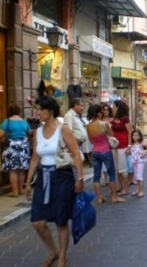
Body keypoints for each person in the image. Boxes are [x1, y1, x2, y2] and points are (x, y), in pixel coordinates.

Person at [25, 95, 84, 267]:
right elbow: (35, 158)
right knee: (37, 221)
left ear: (50, 111)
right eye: (37, 109)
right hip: (44, 177)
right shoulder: (38, 132)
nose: (38, 113)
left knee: (60, 220)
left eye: (41, 109)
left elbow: (75, 154)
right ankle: (53, 250)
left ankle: (62, 257)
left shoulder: (63, 129)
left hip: (62, 177)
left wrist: (79, 178)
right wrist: (28, 182)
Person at [86, 104, 125, 204]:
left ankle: (99, 197)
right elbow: (111, 137)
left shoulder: (88, 126)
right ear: (99, 113)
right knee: (112, 173)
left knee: (96, 175)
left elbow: (90, 141)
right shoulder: (104, 124)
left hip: (95, 151)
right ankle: (114, 197)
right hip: (106, 150)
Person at [0, 104, 31, 197]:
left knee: (13, 170)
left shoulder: (7, 121)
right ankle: (21, 189)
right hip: (24, 146)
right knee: (21, 169)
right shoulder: (24, 122)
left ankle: (15, 191)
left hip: (12, 146)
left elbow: (1, 134)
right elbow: (29, 132)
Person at [110, 100, 133, 195]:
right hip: (114, 145)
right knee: (117, 168)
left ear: (118, 107)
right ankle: (120, 186)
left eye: (114, 106)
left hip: (123, 145)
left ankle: (126, 188)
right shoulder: (114, 118)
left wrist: (129, 146)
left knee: (123, 168)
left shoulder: (125, 118)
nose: (112, 107)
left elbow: (130, 132)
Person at [130, 129, 147, 197]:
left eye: (137, 135)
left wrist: (145, 152)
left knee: (139, 176)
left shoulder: (141, 143)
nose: (135, 137)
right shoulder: (132, 144)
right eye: (134, 135)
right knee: (136, 177)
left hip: (140, 162)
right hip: (134, 162)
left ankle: (141, 191)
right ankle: (138, 190)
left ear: (140, 136)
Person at [100, 104, 113, 187]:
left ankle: (112, 178)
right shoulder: (99, 120)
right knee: (103, 161)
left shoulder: (112, 120)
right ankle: (106, 179)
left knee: (111, 160)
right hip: (102, 142)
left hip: (111, 141)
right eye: (104, 109)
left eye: (107, 109)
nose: (105, 111)